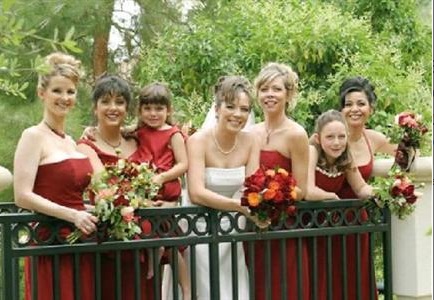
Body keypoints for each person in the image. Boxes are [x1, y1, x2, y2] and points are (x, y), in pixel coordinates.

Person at [13, 52, 98, 300]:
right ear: (42, 93)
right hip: (50, 243)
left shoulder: (71, 141)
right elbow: (22, 196)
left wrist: (89, 209)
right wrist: (72, 214)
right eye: (57, 91)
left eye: (70, 92)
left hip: (81, 240)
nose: (64, 98)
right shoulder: (33, 136)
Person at [77, 75, 155, 300]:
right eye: (106, 101)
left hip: (148, 238)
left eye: (120, 102)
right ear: (95, 107)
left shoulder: (138, 140)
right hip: (111, 242)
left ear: (127, 108)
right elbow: (106, 188)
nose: (113, 108)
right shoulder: (86, 146)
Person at [186, 75, 259, 299]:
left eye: (244, 109)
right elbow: (196, 192)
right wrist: (237, 206)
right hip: (198, 230)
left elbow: (252, 186)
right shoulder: (198, 141)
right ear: (217, 109)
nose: (238, 114)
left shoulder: (251, 141)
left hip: (233, 230)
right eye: (230, 106)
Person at [248, 62, 310, 299]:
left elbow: (301, 189)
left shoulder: (296, 134)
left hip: (286, 229)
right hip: (253, 228)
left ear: (288, 94)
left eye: (276, 89)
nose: (269, 95)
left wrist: (277, 196)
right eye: (264, 89)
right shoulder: (250, 132)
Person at [335, 76, 396, 300]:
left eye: (361, 103)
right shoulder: (327, 137)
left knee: (357, 281)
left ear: (371, 107)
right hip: (326, 218)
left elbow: (407, 155)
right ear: (340, 109)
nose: (354, 109)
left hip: (358, 221)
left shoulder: (374, 139)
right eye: (348, 104)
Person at [305, 110, 373, 299]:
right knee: (317, 277)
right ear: (318, 138)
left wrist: (384, 192)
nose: (337, 142)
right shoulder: (311, 152)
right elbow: (308, 191)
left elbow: (361, 187)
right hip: (310, 225)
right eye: (330, 137)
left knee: (339, 276)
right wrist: (333, 197)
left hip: (334, 227)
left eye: (341, 136)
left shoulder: (346, 157)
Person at [135, 82, 190, 299]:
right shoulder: (138, 132)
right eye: (147, 108)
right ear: (140, 111)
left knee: (172, 244)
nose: (153, 113)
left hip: (165, 189)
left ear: (168, 110)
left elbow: (183, 164)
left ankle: (186, 290)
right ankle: (153, 254)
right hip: (145, 193)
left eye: (159, 109)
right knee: (152, 230)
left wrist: (163, 177)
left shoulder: (172, 133)